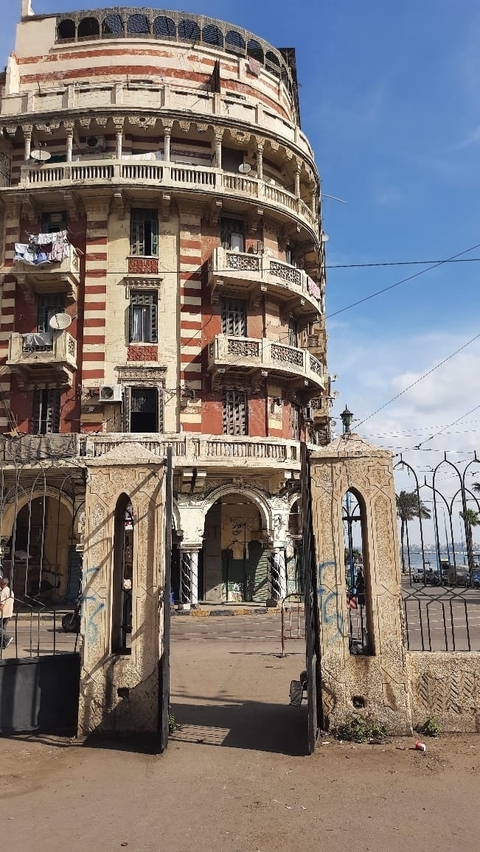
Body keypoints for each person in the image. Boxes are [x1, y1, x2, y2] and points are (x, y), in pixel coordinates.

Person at [0, 577, 14, 649]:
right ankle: (3, 643)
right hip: (8, 613)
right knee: (3, 628)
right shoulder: (10, 591)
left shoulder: (3, 592)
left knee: (1, 629)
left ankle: (6, 638)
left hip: (2, 614)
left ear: (2, 583)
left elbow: (1, 605)